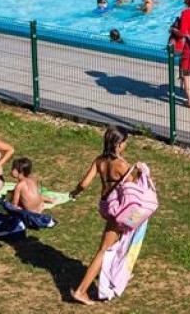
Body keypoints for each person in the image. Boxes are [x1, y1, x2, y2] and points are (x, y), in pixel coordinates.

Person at [69, 126, 136, 305]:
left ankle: (118, 273)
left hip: (105, 206)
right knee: (105, 248)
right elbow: (134, 188)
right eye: (125, 142)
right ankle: (81, 291)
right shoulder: (121, 165)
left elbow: (84, 183)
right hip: (118, 211)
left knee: (122, 236)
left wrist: (75, 192)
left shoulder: (99, 161)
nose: (126, 145)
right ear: (119, 144)